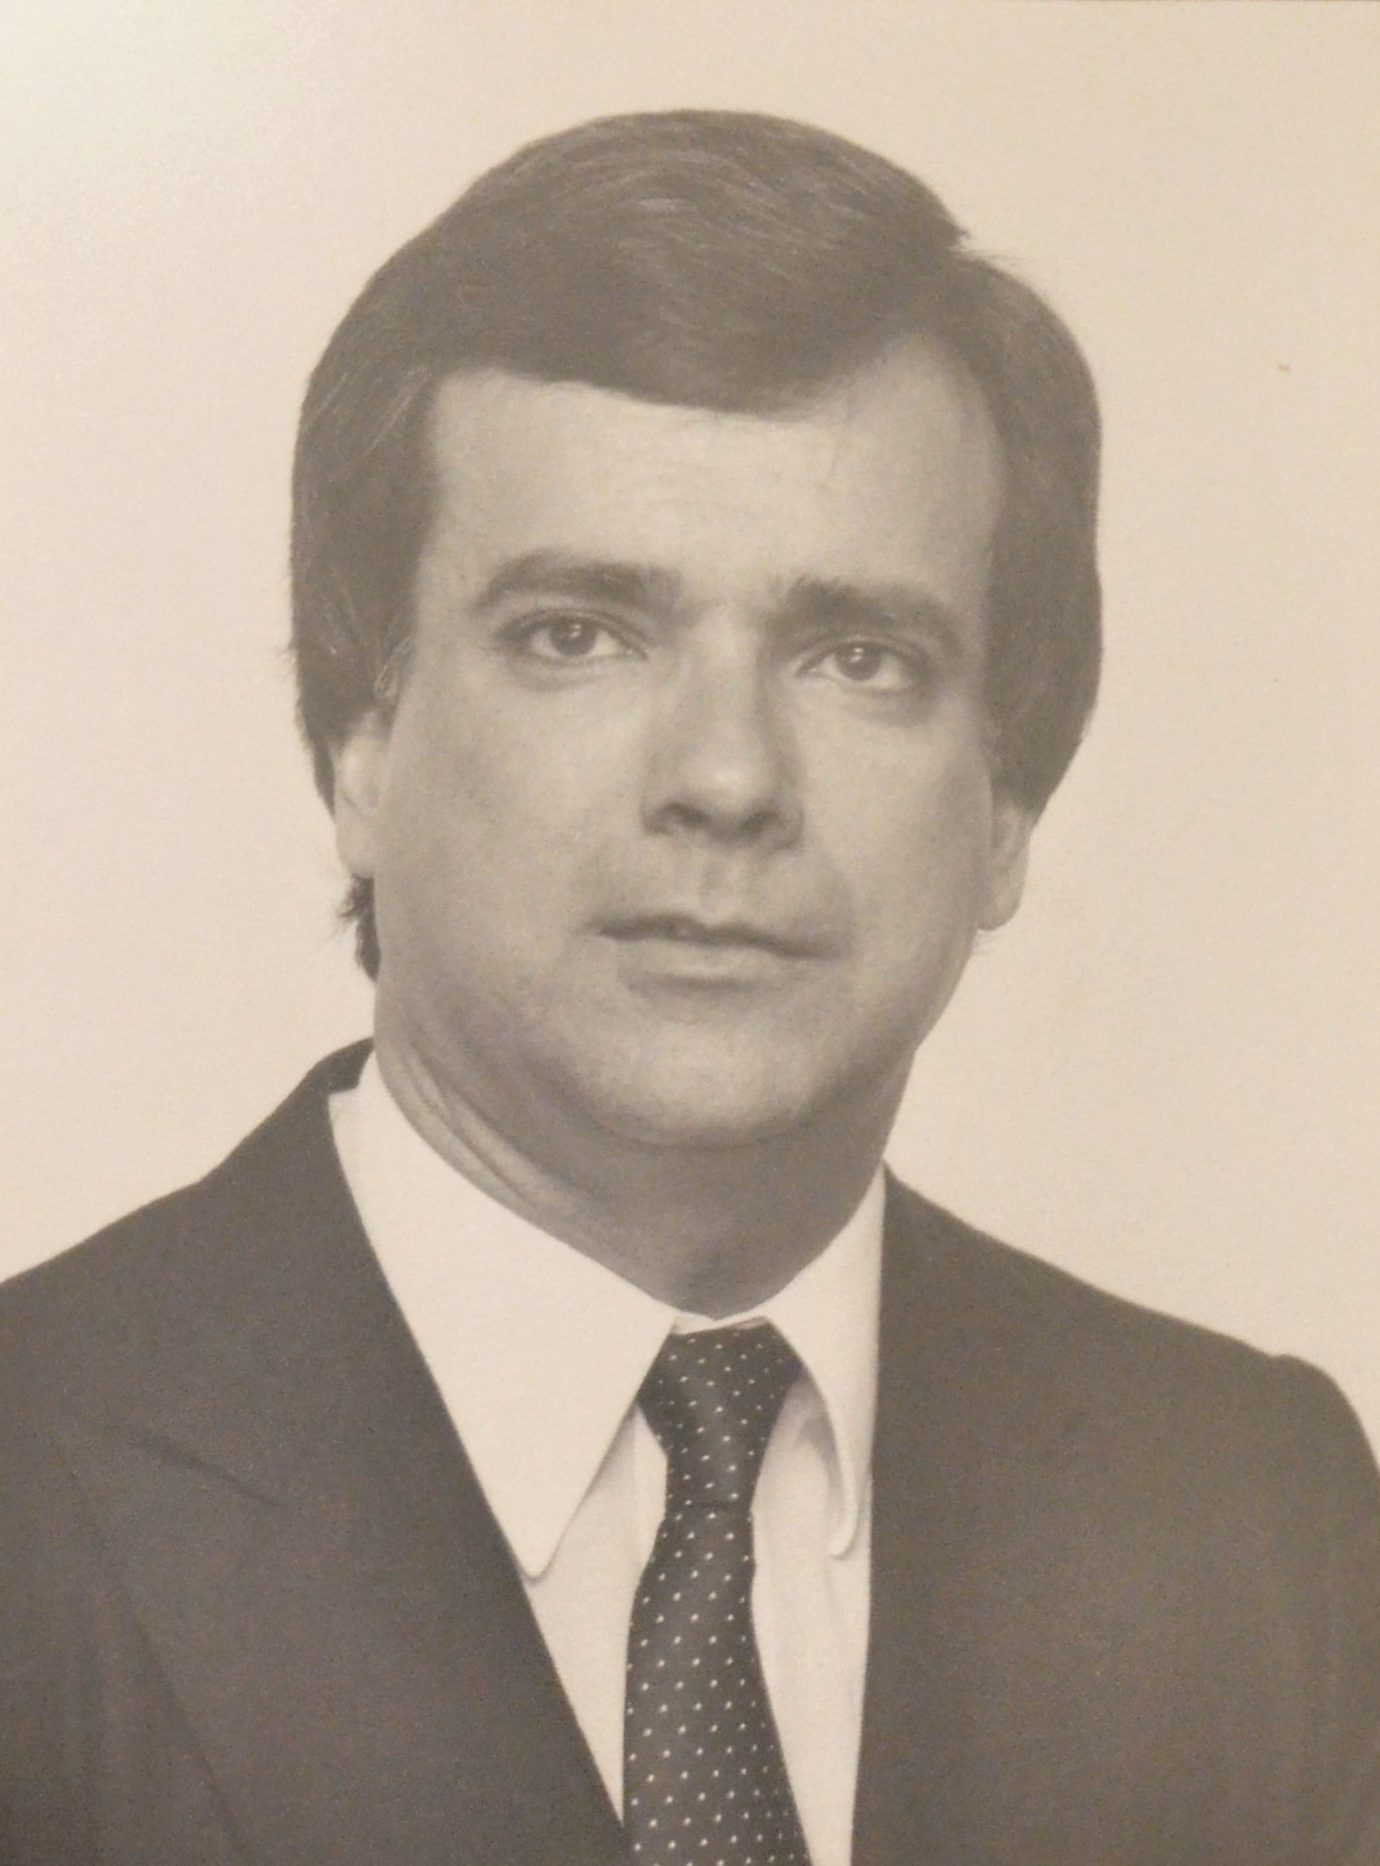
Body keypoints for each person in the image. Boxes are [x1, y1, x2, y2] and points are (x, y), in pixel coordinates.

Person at [2, 109, 1377, 1866]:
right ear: (359, 743)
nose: (727, 777)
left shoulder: (1263, 1526)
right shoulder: (28, 1482)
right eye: (578, 634)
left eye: (859, 657)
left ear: (1008, 805)